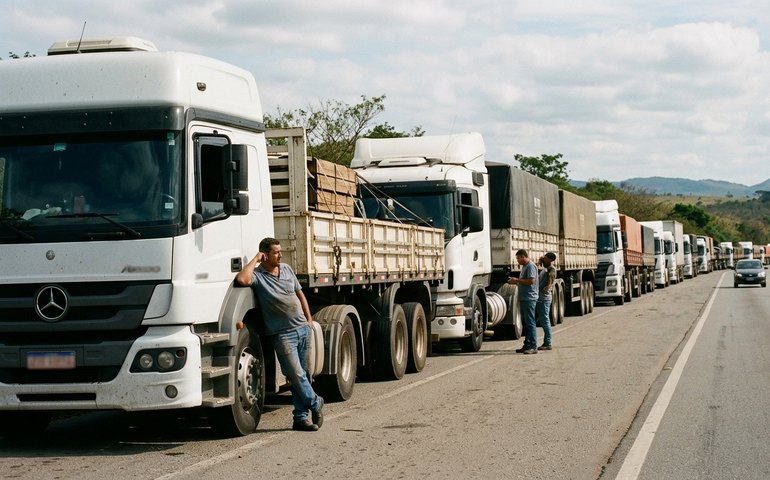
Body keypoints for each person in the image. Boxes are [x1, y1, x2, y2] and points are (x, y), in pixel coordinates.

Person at [235, 237, 324, 432]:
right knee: (295, 374)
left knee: (305, 375)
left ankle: (300, 418)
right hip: (282, 334)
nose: (280, 255)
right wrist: (256, 258)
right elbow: (242, 279)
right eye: (276, 252)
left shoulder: (287, 269)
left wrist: (308, 320)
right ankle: (316, 402)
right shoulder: (258, 276)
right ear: (265, 255)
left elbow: (299, 294)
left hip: (302, 329)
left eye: (280, 251)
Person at [507, 249, 539, 354]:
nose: (517, 261)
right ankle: (527, 344)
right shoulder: (525, 267)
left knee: (530, 322)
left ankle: (533, 346)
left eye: (518, 258)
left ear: (523, 256)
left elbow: (531, 281)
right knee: (526, 322)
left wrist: (517, 280)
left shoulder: (530, 266)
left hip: (529, 298)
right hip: (525, 297)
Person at [536, 252, 557, 351]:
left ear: (550, 260)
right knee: (542, 320)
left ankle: (548, 342)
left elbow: (551, 277)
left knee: (545, 321)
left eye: (545, 258)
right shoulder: (545, 269)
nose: (543, 259)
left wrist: (548, 286)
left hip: (544, 299)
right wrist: (539, 263)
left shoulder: (551, 269)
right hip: (540, 298)